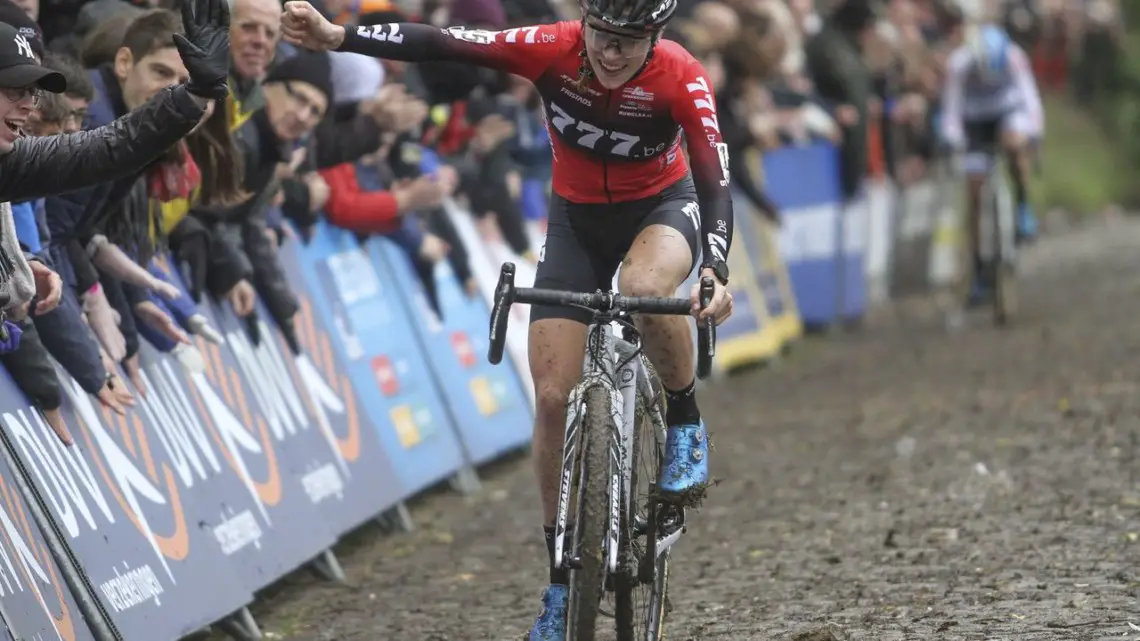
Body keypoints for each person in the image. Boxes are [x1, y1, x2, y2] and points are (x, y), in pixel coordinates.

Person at [281, 1, 735, 638]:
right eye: (602, 36)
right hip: (575, 221)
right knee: (551, 397)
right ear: (584, 25)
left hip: (661, 207)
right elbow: (443, 42)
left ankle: (685, 420)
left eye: (629, 43)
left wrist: (714, 269)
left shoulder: (681, 75)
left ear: (656, 38)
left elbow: (715, 181)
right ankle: (558, 578)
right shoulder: (549, 46)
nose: (610, 53)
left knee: (642, 286)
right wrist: (340, 36)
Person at [0, 0, 233, 315]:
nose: (28, 105)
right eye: (15, 90)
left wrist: (22, 262)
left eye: (33, 92)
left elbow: (110, 148)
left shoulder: (10, 161)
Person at [940, 15, 1044, 304]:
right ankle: (978, 267)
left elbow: (1030, 99)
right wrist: (953, 140)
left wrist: (1033, 134)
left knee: (1014, 145)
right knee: (973, 190)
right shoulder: (959, 64)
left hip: (1007, 113)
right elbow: (951, 110)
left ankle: (1023, 203)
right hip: (974, 120)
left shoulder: (1014, 58)